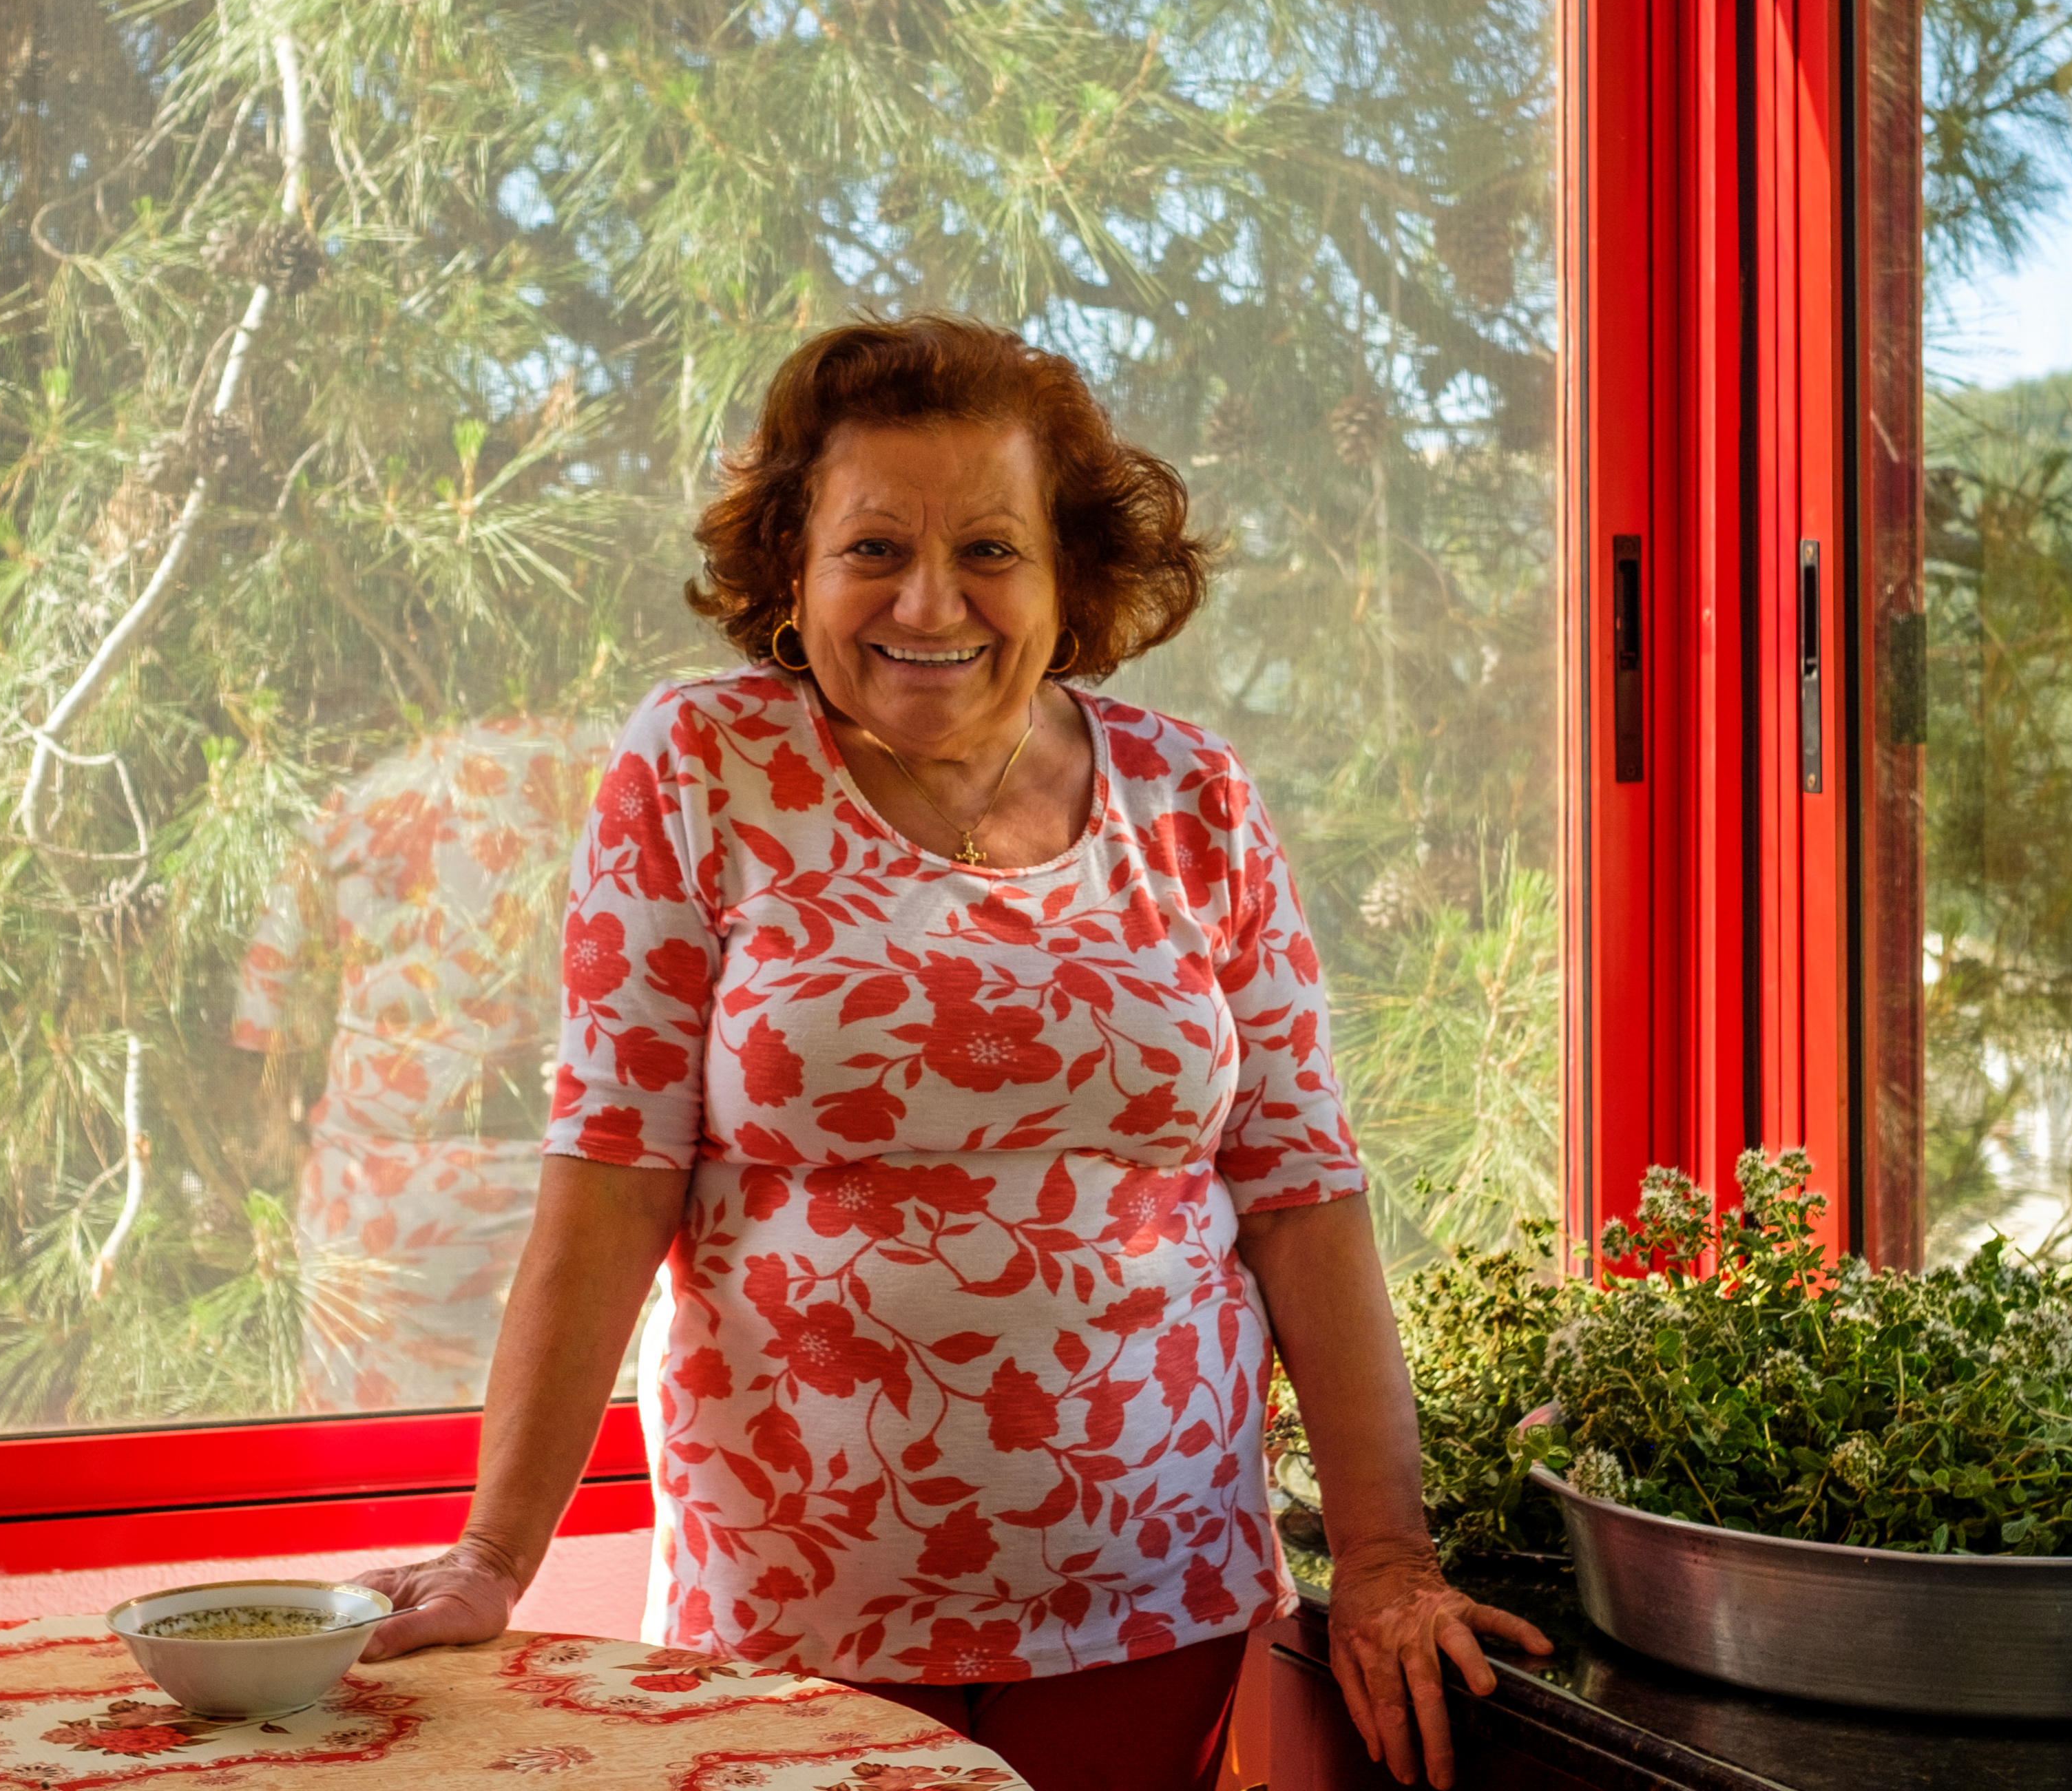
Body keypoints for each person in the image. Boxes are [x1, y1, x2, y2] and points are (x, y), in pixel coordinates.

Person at [354, 315, 1545, 1791]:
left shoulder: (1195, 796)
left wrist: (1382, 1557)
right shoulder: (698, 765)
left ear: (1069, 576)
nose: (929, 598)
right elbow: (608, 1176)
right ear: (793, 569)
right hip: (802, 1599)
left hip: (1154, 1585)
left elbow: (1300, 1186)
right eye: (872, 549)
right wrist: (491, 1553)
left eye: (988, 547)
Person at [232, 717, 598, 1411]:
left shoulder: (349, 804)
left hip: (374, 1189)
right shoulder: (586, 760)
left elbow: (265, 1012)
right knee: (561, 1443)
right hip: (556, 1171)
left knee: (373, 1461)